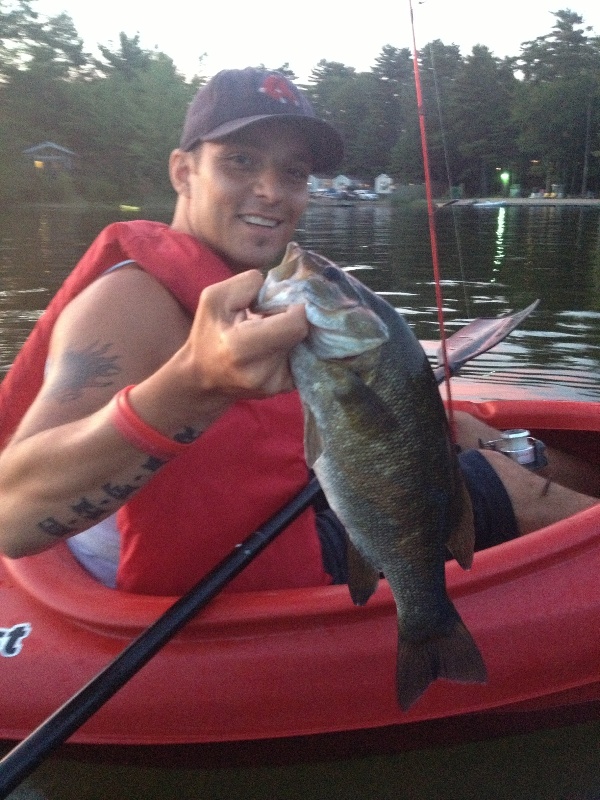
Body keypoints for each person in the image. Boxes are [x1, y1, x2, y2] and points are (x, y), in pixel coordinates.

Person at [0, 68, 597, 595]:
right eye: (240, 161)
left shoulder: (257, 288)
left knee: (472, 434)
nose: (270, 191)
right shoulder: (130, 302)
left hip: (270, 512)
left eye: (294, 172)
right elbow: (10, 516)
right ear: (183, 172)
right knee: (495, 483)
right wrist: (193, 383)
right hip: (223, 575)